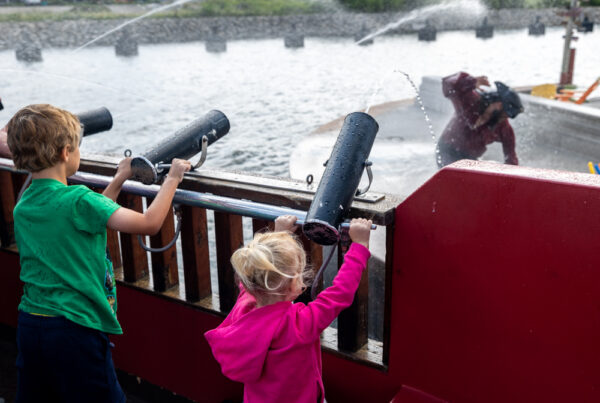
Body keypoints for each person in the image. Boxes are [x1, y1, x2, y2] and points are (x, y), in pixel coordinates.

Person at [6, 104, 191, 403]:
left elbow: (93, 214)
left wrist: (119, 178)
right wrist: (172, 178)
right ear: (66, 152)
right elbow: (149, 223)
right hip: (75, 327)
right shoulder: (78, 199)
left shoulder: (25, 200)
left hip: (32, 323)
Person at [205, 215, 372, 403]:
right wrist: (359, 246)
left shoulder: (244, 305)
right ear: (292, 285)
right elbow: (340, 293)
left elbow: (261, 272)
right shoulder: (300, 324)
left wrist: (281, 234)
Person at [436, 71, 522, 168]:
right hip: (448, 150)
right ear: (498, 105)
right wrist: (471, 82)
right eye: (505, 114)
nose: (505, 119)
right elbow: (448, 84)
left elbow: (511, 158)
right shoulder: (471, 100)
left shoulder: (503, 127)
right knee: (455, 176)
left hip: (469, 158)